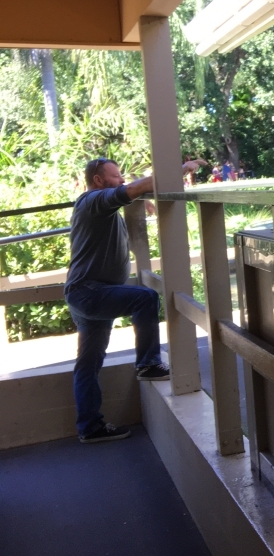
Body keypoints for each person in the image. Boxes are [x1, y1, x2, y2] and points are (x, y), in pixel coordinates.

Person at [65, 157, 204, 443]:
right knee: (145, 298)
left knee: (88, 365)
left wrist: (141, 201)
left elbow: (130, 194)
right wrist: (180, 169)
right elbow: (132, 189)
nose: (121, 180)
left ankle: (89, 428)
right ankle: (148, 364)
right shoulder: (93, 200)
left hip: (87, 293)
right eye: (116, 176)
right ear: (100, 181)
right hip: (89, 292)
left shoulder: (99, 206)